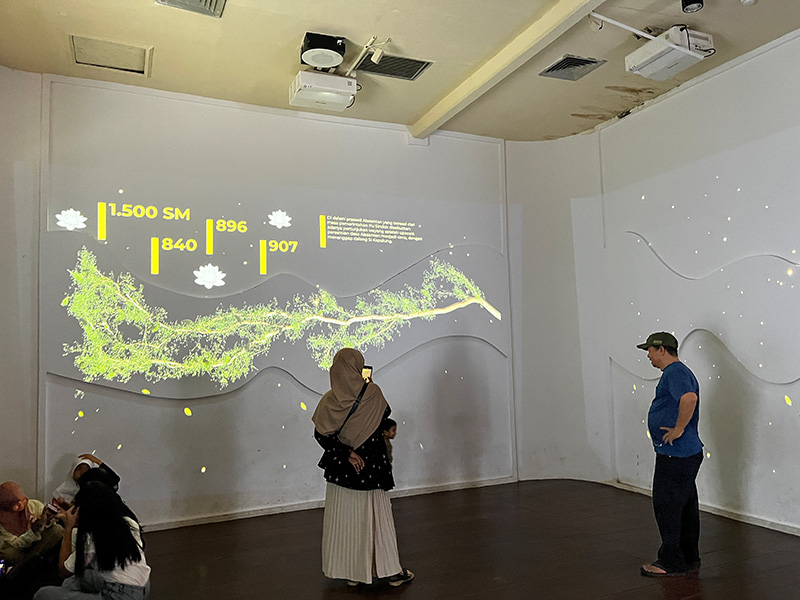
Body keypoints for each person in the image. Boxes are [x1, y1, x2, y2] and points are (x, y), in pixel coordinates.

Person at [312, 348, 414, 588]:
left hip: (342, 469)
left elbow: (321, 436)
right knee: (377, 518)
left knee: (347, 519)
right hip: (371, 467)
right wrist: (367, 389)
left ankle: (354, 573)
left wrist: (347, 452)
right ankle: (390, 572)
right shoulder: (373, 393)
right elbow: (385, 414)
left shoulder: (328, 401)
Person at [636, 332, 703, 577]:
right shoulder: (678, 372)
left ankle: (671, 561)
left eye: (650, 350)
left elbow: (689, 398)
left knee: (667, 506)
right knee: (685, 507)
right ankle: (688, 557)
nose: (648, 356)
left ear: (661, 349)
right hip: (684, 453)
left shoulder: (675, 372)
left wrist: (678, 429)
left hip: (676, 454)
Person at [33, 481, 150, 600]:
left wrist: (68, 527)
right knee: (74, 581)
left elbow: (64, 571)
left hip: (119, 595)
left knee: (43, 594)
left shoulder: (90, 537)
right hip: (143, 587)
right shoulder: (129, 523)